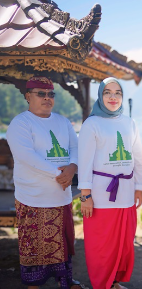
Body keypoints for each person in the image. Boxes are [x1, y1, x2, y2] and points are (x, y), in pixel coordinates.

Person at [6, 76, 82, 289]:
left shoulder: (63, 121)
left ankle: (65, 280)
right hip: (32, 198)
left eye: (50, 94)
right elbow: (26, 156)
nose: (47, 98)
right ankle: (34, 285)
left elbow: (75, 148)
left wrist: (73, 167)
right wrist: (61, 174)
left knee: (63, 244)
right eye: (41, 94)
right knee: (33, 248)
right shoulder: (21, 123)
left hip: (61, 196)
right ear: (28, 96)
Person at [78, 77, 142, 289]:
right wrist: (86, 195)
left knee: (123, 243)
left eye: (118, 93)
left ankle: (114, 282)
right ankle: (101, 284)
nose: (113, 97)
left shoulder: (129, 122)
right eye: (108, 92)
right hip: (100, 195)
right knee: (101, 245)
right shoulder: (92, 124)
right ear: (100, 96)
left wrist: (139, 187)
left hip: (126, 193)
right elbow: (84, 162)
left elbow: (139, 157)